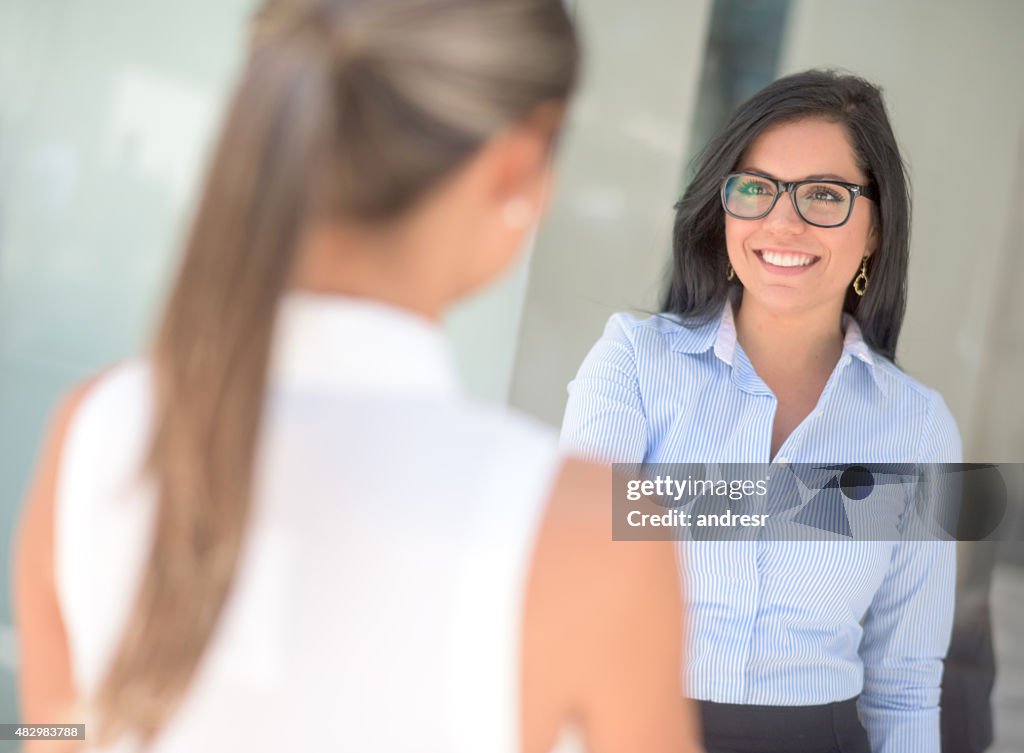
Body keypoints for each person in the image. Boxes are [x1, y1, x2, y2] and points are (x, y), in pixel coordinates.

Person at [12, 2, 702, 752]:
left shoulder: (91, 429)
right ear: (517, 167)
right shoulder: (591, 519)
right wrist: (827, 499)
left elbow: (53, 728)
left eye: (823, 196)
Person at [561, 70, 961, 753]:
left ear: (875, 230)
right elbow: (573, 599)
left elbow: (905, 685)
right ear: (723, 211)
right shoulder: (633, 362)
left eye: (825, 196)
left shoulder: (919, 427)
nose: (783, 221)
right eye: (756, 188)